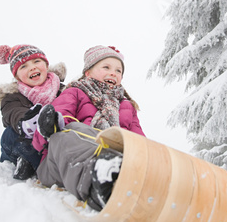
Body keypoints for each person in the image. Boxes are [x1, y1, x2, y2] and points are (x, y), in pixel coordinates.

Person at [32, 45, 145, 211]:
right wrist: (50, 125)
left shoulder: (126, 106)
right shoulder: (76, 92)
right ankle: (98, 183)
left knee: (131, 145)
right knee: (70, 131)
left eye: (118, 71)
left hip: (115, 159)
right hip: (59, 163)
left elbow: (139, 139)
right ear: (88, 72)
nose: (113, 73)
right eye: (106, 67)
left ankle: (130, 178)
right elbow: (57, 119)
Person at [0, 44, 66, 180]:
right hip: (26, 140)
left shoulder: (63, 91)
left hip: (53, 143)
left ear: (46, 65)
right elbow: (13, 112)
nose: (32, 67)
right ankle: (23, 159)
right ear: (17, 77)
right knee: (10, 135)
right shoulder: (12, 96)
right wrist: (27, 121)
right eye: (23, 66)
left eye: (36, 61)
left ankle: (39, 162)